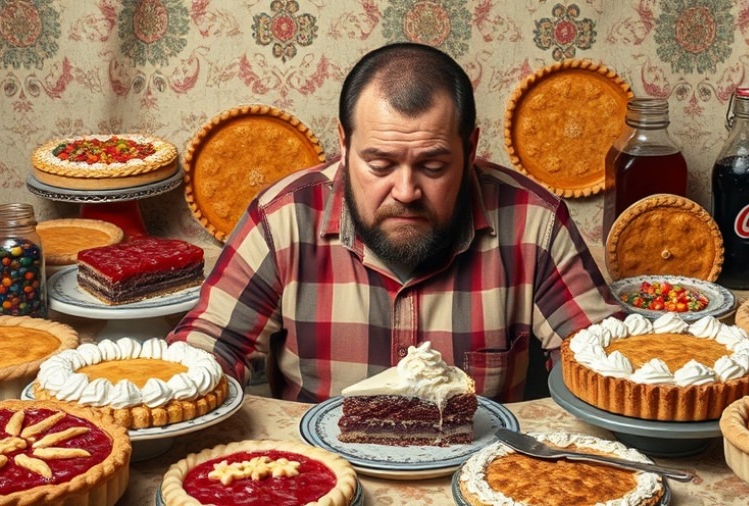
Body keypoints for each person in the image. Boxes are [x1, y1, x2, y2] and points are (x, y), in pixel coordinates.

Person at [167, 42, 621, 403]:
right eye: (380, 164)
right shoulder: (282, 220)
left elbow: (607, 363)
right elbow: (207, 354)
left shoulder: (535, 224)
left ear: (470, 147)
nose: (406, 191)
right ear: (344, 145)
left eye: (434, 166)